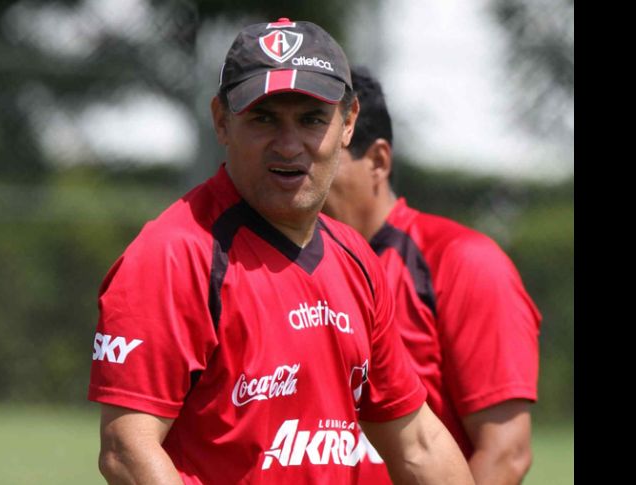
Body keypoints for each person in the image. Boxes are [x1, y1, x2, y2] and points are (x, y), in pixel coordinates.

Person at [88, 19, 474, 485]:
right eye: (264, 118)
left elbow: (418, 443)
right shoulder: (174, 254)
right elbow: (127, 450)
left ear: (348, 123)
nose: (289, 145)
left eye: (311, 119)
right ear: (221, 121)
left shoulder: (355, 259)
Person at [322, 66, 542, 485]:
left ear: (378, 161)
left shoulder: (463, 262)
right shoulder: (281, 266)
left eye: (324, 154)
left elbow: (505, 453)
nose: (303, 169)